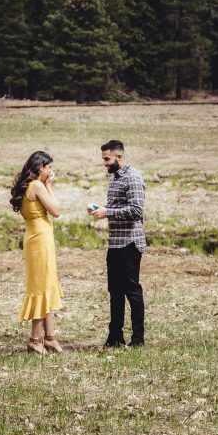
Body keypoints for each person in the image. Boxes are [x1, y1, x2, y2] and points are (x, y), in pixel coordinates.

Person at [88, 139, 146, 347]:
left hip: (130, 243)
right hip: (115, 243)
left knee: (132, 290)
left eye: (106, 158)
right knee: (115, 291)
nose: (104, 163)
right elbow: (119, 207)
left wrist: (108, 212)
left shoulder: (133, 177)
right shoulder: (115, 178)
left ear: (119, 156)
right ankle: (115, 337)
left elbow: (136, 211)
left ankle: (138, 339)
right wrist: (102, 209)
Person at [10, 150, 64, 354]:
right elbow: (56, 211)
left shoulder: (27, 186)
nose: (51, 171)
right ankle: (35, 339)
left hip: (36, 238)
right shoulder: (38, 186)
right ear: (40, 167)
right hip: (40, 240)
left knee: (46, 285)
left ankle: (49, 337)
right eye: (49, 167)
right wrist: (50, 186)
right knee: (41, 288)